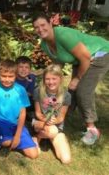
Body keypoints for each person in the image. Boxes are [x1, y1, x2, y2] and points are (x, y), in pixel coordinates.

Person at [32, 13, 109, 145]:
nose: (40, 29)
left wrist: (77, 78)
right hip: (82, 59)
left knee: (83, 91)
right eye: (36, 27)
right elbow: (58, 65)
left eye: (43, 25)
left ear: (51, 23)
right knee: (71, 91)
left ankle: (92, 129)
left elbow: (85, 57)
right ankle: (60, 118)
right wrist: (40, 74)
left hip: (99, 53)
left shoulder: (62, 35)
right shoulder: (45, 45)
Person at [0, 59, 38, 159]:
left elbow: (22, 113)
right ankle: (0, 140)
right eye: (4, 76)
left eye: (11, 76)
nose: (7, 79)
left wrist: (17, 136)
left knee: (34, 155)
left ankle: (17, 139)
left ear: (16, 76)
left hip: (16, 123)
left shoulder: (21, 90)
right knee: (6, 142)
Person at [32, 64, 71, 164]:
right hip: (39, 122)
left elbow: (61, 116)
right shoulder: (38, 91)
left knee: (66, 160)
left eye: (54, 78)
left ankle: (47, 137)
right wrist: (46, 120)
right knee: (52, 131)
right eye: (47, 79)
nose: (51, 82)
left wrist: (55, 121)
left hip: (56, 126)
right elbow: (37, 113)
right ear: (44, 79)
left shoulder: (66, 95)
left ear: (60, 79)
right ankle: (37, 137)